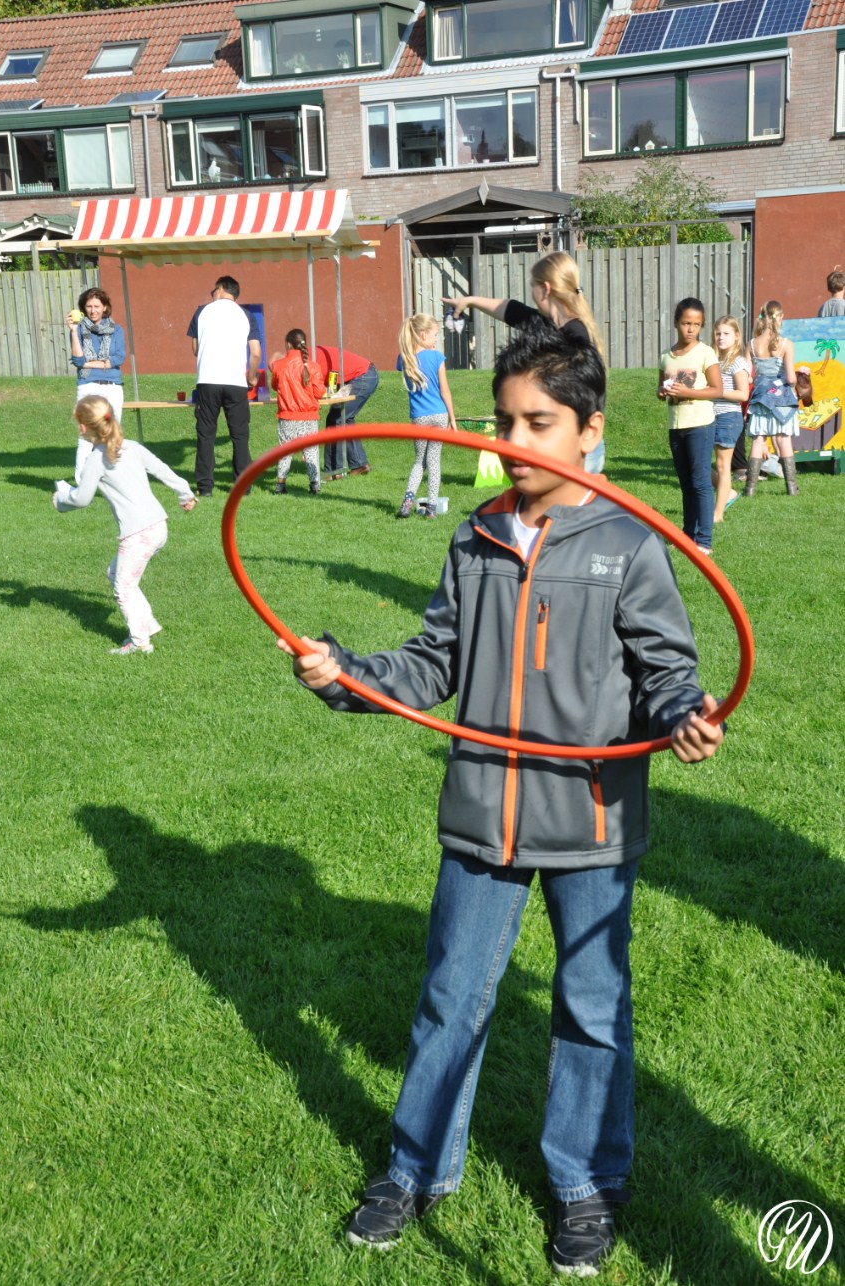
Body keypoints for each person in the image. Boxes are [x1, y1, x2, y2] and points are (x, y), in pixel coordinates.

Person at [277, 324, 724, 1277]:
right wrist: (344, 672)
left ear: (590, 431)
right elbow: (433, 661)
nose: (514, 442)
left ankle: (585, 1185)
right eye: (503, 421)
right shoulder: (475, 534)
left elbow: (666, 673)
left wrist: (685, 717)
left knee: (592, 1006)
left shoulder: (628, 542)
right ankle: (415, 1168)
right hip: (484, 814)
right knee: (450, 998)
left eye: (539, 423)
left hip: (591, 820)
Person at [52, 395, 196, 655]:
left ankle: (140, 644)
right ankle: (147, 624)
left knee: (124, 587)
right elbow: (162, 469)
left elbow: (82, 498)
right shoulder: (131, 447)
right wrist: (185, 493)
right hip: (158, 526)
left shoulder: (96, 459)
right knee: (115, 574)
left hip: (138, 534)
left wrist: (61, 499)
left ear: (83, 427)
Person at [443, 250, 607, 473]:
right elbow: (509, 309)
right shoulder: (547, 324)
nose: (532, 292)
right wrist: (469, 301)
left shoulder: (576, 334)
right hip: (561, 441)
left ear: (545, 289)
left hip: (576, 444)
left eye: (533, 286)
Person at [658, 298, 722, 556]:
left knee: (700, 483)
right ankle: (687, 537)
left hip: (700, 425)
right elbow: (661, 386)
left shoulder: (706, 353)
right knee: (686, 483)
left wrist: (688, 392)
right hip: (676, 426)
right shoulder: (666, 356)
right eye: (686, 323)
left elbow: (717, 390)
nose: (691, 329)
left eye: (696, 324)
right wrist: (662, 392)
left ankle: (704, 541)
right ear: (676, 323)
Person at [187, 276, 261, 498]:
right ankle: (242, 486)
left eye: (213, 291)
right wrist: (252, 376)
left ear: (219, 289)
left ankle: (205, 487)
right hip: (236, 383)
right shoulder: (246, 315)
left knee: (206, 435)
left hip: (208, 380)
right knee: (240, 436)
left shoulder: (201, 311)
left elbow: (195, 349)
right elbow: (256, 353)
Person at [395, 314, 456, 519]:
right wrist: (452, 419)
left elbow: (403, 360)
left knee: (419, 462)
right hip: (439, 415)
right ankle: (431, 509)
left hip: (419, 417)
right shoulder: (437, 357)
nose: (437, 339)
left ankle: (407, 503)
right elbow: (445, 391)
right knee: (434, 461)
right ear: (423, 335)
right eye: (435, 335)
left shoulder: (404, 359)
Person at [66, 288, 126, 481]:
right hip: (87, 385)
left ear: (105, 307)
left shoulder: (117, 330)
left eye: (97, 306)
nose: (93, 310)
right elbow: (78, 360)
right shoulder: (78, 330)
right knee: (85, 436)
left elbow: (118, 358)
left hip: (112, 386)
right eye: (89, 306)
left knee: (112, 433)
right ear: (83, 308)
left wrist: (88, 363)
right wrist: (73, 331)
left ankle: (113, 480)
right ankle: (81, 484)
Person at [744, 300, 800, 497]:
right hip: (781, 398)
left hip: (760, 397)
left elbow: (748, 377)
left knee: (759, 440)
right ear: (780, 317)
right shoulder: (786, 344)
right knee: (784, 439)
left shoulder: (751, 344)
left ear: (762, 317)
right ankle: (791, 488)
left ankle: (750, 488)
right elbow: (791, 378)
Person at [269, 329, 325, 495]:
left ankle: (280, 485)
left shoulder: (278, 365)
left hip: (287, 416)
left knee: (285, 452)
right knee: (311, 452)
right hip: (309, 417)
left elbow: (275, 385)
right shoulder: (313, 366)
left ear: (288, 344)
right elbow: (319, 392)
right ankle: (315, 485)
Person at [313, 344, 378, 480]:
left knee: (336, 419)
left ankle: (334, 471)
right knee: (345, 419)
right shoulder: (311, 355)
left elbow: (321, 387)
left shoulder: (310, 362)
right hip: (366, 375)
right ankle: (359, 464)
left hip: (362, 377)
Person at [711, 316, 751, 524]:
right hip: (709, 416)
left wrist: (718, 391)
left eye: (726, 334)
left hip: (728, 417)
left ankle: (718, 514)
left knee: (722, 466)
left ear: (736, 336)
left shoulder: (738, 362)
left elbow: (743, 394)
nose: (721, 337)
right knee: (699, 465)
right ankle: (729, 492)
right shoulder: (712, 360)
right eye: (718, 333)